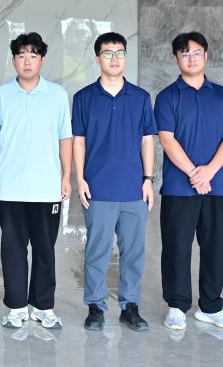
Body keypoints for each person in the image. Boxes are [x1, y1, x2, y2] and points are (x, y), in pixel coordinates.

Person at [155, 31, 223, 331]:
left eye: (196, 52)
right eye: (184, 53)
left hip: (217, 187)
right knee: (177, 247)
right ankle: (177, 306)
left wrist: (208, 172)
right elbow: (167, 139)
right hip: (179, 188)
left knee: (214, 248)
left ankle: (211, 307)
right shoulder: (167, 96)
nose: (191, 58)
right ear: (176, 58)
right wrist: (195, 173)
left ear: (206, 55)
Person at [0, 32, 72, 330]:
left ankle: (44, 307)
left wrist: (66, 175)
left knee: (45, 249)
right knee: (13, 249)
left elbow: (65, 138)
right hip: (10, 188)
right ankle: (17, 307)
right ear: (14, 60)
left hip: (47, 188)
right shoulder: (1, 96)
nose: (27, 61)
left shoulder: (57, 95)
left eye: (33, 55)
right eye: (21, 55)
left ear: (42, 60)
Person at [72, 32, 156, 332]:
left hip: (133, 189)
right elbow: (78, 141)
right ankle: (95, 306)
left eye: (120, 52)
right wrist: (80, 178)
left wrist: (148, 179)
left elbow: (147, 140)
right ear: (98, 59)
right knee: (98, 251)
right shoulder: (84, 98)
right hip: (98, 188)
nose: (115, 58)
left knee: (133, 252)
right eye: (108, 53)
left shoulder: (141, 97)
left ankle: (130, 306)